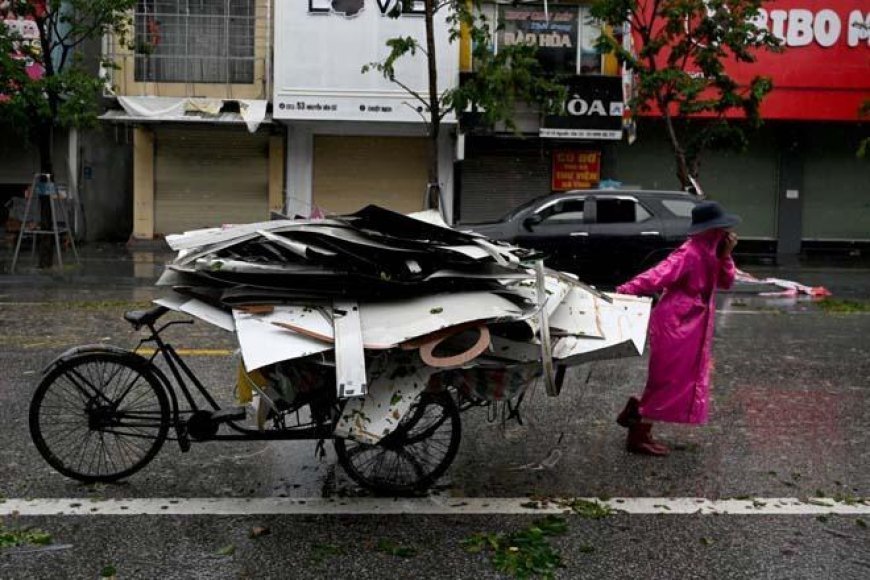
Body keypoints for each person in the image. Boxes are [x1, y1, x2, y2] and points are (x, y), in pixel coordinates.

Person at [614, 201, 740, 455]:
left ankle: (637, 416)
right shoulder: (690, 253)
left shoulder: (714, 250)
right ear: (711, 229)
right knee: (667, 380)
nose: (727, 232)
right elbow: (658, 274)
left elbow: (727, 282)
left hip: (693, 325)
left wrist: (725, 256)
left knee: (680, 381)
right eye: (722, 227)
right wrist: (624, 292)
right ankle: (638, 431)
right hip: (675, 323)